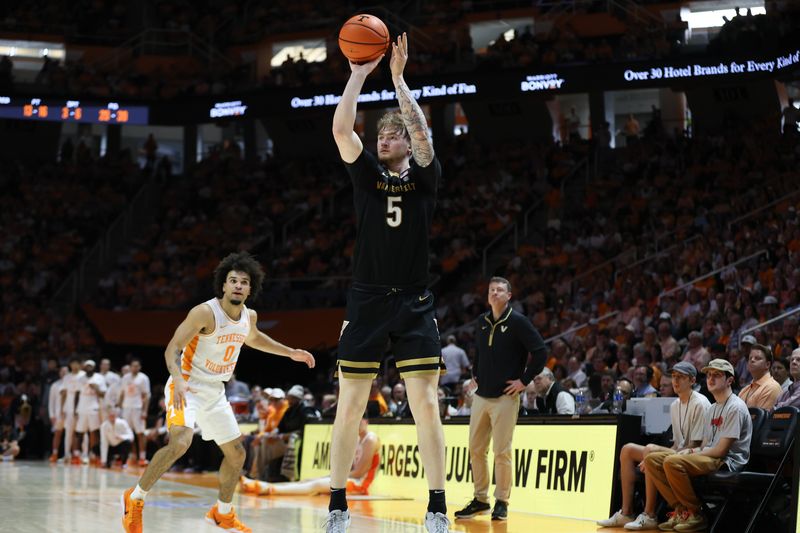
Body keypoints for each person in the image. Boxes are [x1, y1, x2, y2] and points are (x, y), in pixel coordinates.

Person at [329, 32, 449, 533]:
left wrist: (398, 80)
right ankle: (337, 506)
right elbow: (340, 131)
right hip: (367, 299)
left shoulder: (424, 174)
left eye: (391, 135)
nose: (384, 140)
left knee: (425, 404)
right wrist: (358, 73)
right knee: (349, 405)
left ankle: (438, 506)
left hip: (414, 302)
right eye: (381, 135)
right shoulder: (366, 175)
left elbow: (423, 133)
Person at [121, 251, 315, 533]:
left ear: (251, 288)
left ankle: (222, 513)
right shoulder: (204, 312)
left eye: (244, 282)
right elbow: (172, 348)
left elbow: (255, 338)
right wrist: (177, 378)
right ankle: (135, 498)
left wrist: (290, 353)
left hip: (214, 391)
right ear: (223, 285)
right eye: (233, 280)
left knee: (237, 454)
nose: (238, 285)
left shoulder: (249, 316)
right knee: (180, 442)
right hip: (185, 384)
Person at [455, 277, 547, 522]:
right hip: (481, 396)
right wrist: (475, 372)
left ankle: (502, 501)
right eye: (491, 290)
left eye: (500, 290)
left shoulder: (518, 322)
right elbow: (480, 350)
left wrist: (524, 381)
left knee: (501, 452)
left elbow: (541, 352)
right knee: (475, 449)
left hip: (506, 397)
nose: (495, 293)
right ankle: (480, 499)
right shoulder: (481, 321)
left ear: (509, 296)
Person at [597, 361, 710, 530]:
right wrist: (656, 455)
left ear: (692, 381)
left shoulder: (700, 403)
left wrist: (653, 456)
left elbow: (694, 444)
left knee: (650, 450)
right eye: (673, 377)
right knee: (627, 449)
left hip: (694, 455)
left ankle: (649, 514)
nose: (675, 381)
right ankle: (626, 512)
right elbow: (677, 444)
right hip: (679, 452)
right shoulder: (675, 405)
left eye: (680, 377)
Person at [644, 359, 752, 532]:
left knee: (673, 461)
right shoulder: (712, 408)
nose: (710, 378)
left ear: (730, 380)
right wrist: (691, 451)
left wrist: (688, 454)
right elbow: (705, 445)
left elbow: (721, 450)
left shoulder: (736, 407)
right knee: (652, 460)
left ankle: (695, 512)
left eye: (717, 375)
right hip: (710, 455)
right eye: (709, 375)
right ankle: (681, 510)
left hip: (727, 461)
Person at [241, 417, 379, 496]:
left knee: (317, 484)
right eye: (354, 420)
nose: (355, 423)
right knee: (310, 480)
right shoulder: (355, 438)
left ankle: (270, 489)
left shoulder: (370, 439)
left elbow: (359, 473)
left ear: (366, 421)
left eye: (359, 420)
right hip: (351, 479)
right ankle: (264, 484)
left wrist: (333, 476)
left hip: (361, 485)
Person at [74, 359, 107, 465]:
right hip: (81, 408)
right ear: (85, 367)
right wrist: (75, 409)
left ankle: (93, 454)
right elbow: (77, 394)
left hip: (94, 407)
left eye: (91, 366)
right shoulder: (80, 378)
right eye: (87, 366)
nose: (89, 368)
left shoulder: (99, 378)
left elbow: (103, 394)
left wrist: (96, 388)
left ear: (94, 367)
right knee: (79, 432)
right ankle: (78, 454)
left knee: (94, 432)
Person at [119, 358, 151, 466]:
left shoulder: (143, 378)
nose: (135, 368)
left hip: (138, 408)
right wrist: (119, 406)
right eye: (133, 366)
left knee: (140, 433)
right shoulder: (125, 378)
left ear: (140, 367)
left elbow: (146, 395)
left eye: (137, 366)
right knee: (127, 433)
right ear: (130, 367)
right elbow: (122, 393)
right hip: (126, 407)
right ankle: (132, 456)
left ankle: (142, 457)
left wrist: (145, 411)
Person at [737, 344, 782, 409]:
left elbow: (761, 418)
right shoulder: (744, 390)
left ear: (767, 364)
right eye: (750, 358)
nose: (752, 360)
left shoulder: (772, 387)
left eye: (757, 358)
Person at [61, 357, 85, 464]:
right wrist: (62, 408)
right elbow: (64, 393)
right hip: (69, 407)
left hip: (82, 406)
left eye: (77, 364)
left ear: (80, 365)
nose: (75, 366)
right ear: (70, 365)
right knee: (68, 432)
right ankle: (67, 454)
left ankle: (84, 455)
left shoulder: (84, 375)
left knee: (82, 432)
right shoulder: (67, 377)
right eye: (73, 363)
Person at [48, 365, 68, 462]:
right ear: (59, 373)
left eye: (66, 372)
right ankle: (55, 454)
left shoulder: (72, 384)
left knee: (70, 435)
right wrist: (52, 415)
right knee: (57, 434)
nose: (64, 373)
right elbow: (51, 401)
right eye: (62, 371)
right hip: (58, 414)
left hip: (69, 414)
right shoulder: (55, 385)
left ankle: (69, 455)